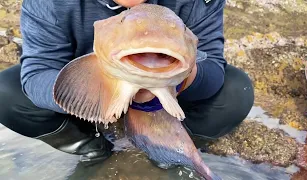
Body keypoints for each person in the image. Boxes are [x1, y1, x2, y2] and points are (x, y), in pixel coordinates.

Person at [0, 0, 254, 166]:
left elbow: (213, 66)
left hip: (167, 98)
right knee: (6, 93)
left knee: (235, 92)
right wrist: (107, 88)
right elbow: (37, 73)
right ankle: (96, 150)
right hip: (92, 93)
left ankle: (162, 153)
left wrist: (178, 79)